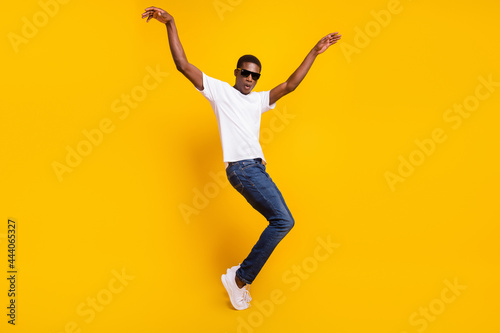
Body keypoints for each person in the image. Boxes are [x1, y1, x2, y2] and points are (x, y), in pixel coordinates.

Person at [142, 6, 341, 310]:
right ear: (236, 72)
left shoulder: (259, 100)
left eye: (255, 76)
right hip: (243, 168)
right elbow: (183, 64)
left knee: (282, 220)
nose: (250, 79)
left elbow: (290, 85)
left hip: (255, 169)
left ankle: (240, 277)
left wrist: (314, 51)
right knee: (283, 220)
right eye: (245, 73)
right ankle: (239, 278)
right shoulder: (221, 92)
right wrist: (170, 22)